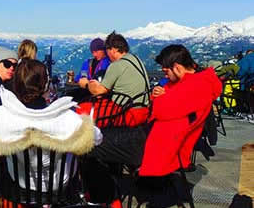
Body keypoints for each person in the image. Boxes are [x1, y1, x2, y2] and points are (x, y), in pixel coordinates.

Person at [0, 59, 102, 207]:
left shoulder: (1, 116)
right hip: (60, 186)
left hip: (20, 183)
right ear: (46, 85)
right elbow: (97, 138)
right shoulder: (67, 118)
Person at [76, 32, 150, 208]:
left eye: (107, 49)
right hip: (142, 111)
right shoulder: (136, 61)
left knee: (81, 112)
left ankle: (87, 181)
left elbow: (99, 90)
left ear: (113, 49)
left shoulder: (117, 65)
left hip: (126, 113)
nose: (107, 54)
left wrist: (86, 83)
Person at [140, 44, 222, 176]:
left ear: (177, 67)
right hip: (165, 140)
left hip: (167, 148)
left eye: (166, 72)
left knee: (104, 146)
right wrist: (160, 94)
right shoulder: (194, 81)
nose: (165, 77)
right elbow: (171, 102)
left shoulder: (195, 86)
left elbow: (163, 111)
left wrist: (160, 97)